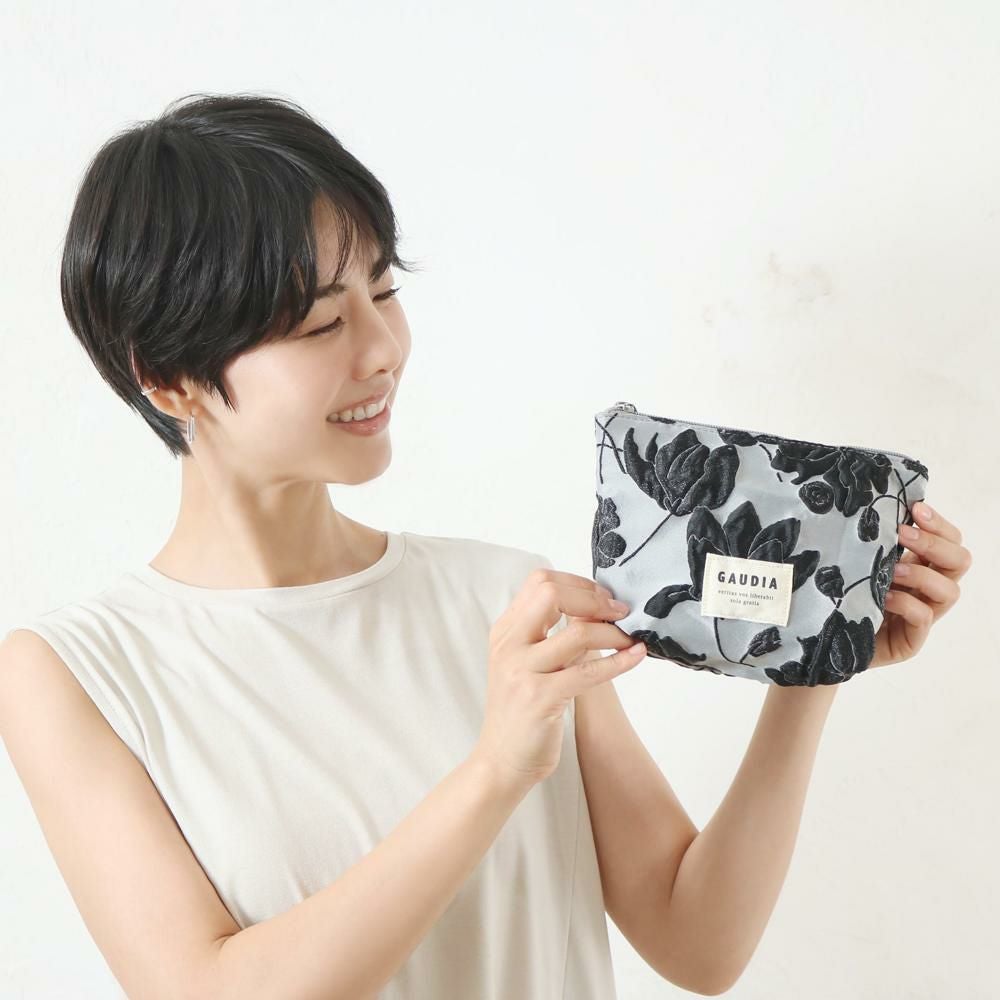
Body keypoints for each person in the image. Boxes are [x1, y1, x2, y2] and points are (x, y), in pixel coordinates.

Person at [0, 92, 648, 999]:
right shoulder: (77, 674)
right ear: (170, 380)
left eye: (383, 292)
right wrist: (495, 771)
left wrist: (817, 657)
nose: (382, 351)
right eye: (318, 324)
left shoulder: (509, 601)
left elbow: (701, 940)